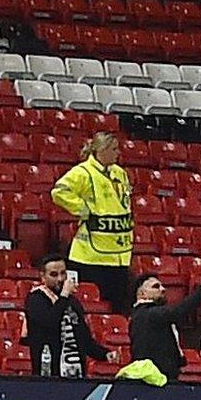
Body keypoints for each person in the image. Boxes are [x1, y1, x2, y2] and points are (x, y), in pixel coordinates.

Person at [51, 133, 134, 313]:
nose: (118, 153)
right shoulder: (83, 172)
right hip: (90, 256)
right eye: (113, 149)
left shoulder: (120, 173)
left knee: (118, 308)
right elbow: (59, 191)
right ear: (101, 150)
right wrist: (83, 209)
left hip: (119, 253)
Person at [126, 266, 201, 383]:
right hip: (154, 381)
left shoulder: (143, 314)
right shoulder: (148, 313)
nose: (163, 289)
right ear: (142, 293)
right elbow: (178, 312)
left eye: (162, 285)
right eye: (156, 287)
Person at [23, 254, 105, 380]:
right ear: (43, 276)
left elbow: (83, 338)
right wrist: (64, 295)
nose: (60, 279)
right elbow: (50, 323)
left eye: (63, 273)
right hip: (48, 374)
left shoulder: (72, 302)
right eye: (54, 274)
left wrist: (106, 354)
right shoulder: (35, 299)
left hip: (75, 372)